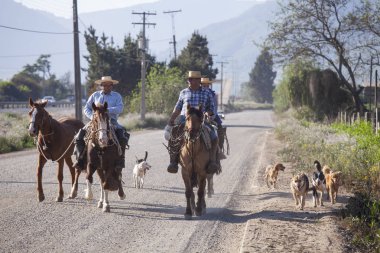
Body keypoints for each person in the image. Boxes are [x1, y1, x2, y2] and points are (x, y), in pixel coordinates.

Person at [166, 70, 219, 174]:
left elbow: (211, 108)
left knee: (214, 135)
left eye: (194, 79)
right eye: (190, 79)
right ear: (188, 81)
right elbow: (178, 108)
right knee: (173, 134)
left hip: (201, 119)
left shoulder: (206, 92)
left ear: (199, 81)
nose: (191, 81)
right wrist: (171, 119)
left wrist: (208, 113)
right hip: (184, 119)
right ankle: (173, 161)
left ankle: (212, 161)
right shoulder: (183, 92)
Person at [73, 76, 129, 171]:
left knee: (123, 136)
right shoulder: (95, 95)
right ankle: (80, 160)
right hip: (95, 121)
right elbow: (86, 108)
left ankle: (120, 160)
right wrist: (93, 117)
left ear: (112, 86)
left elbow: (120, 108)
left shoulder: (117, 96)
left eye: (109, 85)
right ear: (101, 85)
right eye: (104, 85)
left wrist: (107, 110)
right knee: (79, 136)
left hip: (111, 121)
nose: (107, 87)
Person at [201, 77, 227, 159]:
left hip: (211, 116)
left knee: (220, 128)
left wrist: (210, 116)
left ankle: (218, 150)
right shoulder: (197, 93)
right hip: (197, 115)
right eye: (203, 85)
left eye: (206, 85)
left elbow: (214, 108)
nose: (205, 86)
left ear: (209, 85)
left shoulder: (213, 95)